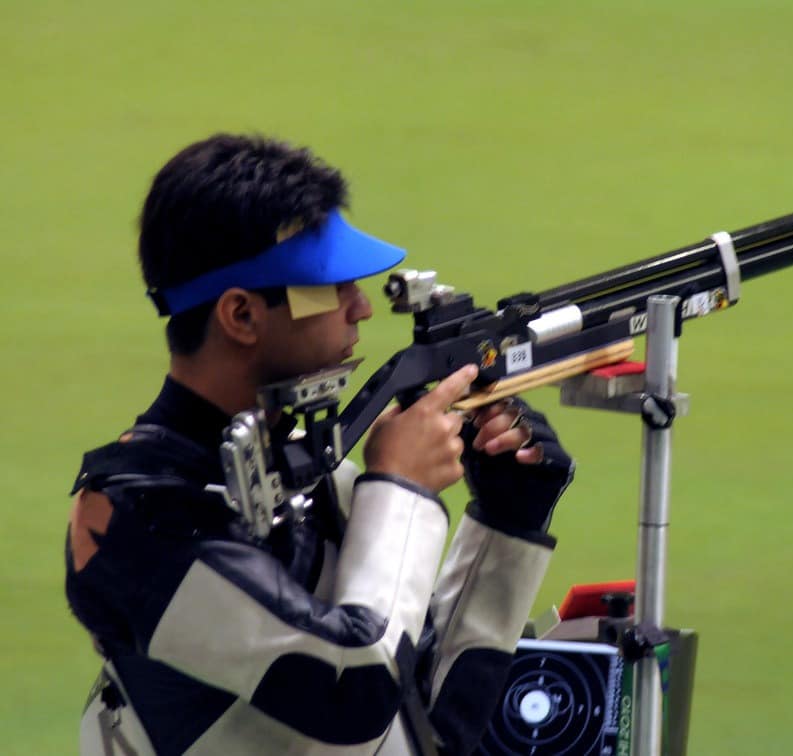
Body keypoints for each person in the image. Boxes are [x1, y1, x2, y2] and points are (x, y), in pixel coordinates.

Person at [65, 134, 575, 755]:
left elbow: (419, 729)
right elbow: (352, 690)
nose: (360, 307)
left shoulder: (307, 473)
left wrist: (506, 522)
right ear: (241, 315)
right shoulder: (138, 519)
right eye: (329, 286)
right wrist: (403, 488)